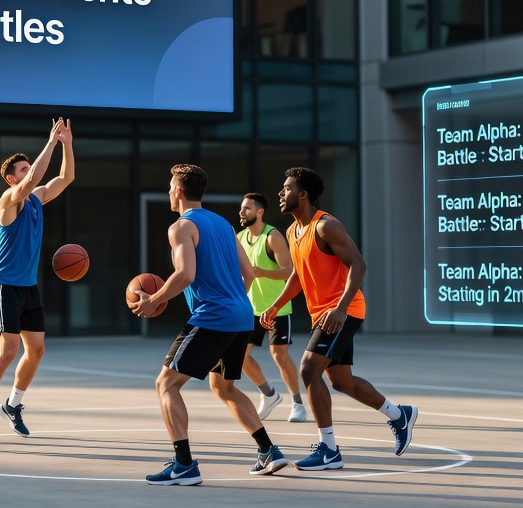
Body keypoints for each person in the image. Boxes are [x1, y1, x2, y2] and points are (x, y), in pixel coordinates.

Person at [132, 164, 288, 485]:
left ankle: (184, 464)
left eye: (170, 187)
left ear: (177, 191)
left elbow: (185, 275)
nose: (169, 192)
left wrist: (154, 299)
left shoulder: (181, 227)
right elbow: (247, 275)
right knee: (224, 386)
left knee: (166, 384)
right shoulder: (223, 225)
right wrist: (233, 302)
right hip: (241, 315)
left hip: (213, 316)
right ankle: (268, 451)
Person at [262, 167, 418, 471]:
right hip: (323, 313)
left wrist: (341, 308)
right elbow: (297, 276)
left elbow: (358, 265)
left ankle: (329, 450)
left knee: (308, 370)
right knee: (341, 381)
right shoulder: (294, 231)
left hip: (342, 311)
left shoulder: (326, 226)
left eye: (287, 188)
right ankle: (400, 415)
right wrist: (275, 305)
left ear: (303, 194)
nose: (281, 193)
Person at [0, 118, 74, 441]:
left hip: (28, 286)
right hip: (3, 284)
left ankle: (12, 405)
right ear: (12, 179)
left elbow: (66, 177)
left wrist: (67, 143)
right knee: (9, 349)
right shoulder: (8, 202)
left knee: (37, 349)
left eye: (30, 167)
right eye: (23, 169)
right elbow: (36, 178)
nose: (29, 172)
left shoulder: (37, 199)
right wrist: (52, 142)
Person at [237, 192, 307, 423]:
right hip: (250, 308)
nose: (242, 212)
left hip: (277, 307)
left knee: (279, 354)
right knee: (238, 356)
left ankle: (297, 403)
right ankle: (268, 394)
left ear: (260, 212)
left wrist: (261, 272)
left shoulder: (273, 236)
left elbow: (289, 270)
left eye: (247, 208)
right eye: (241, 208)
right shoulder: (239, 238)